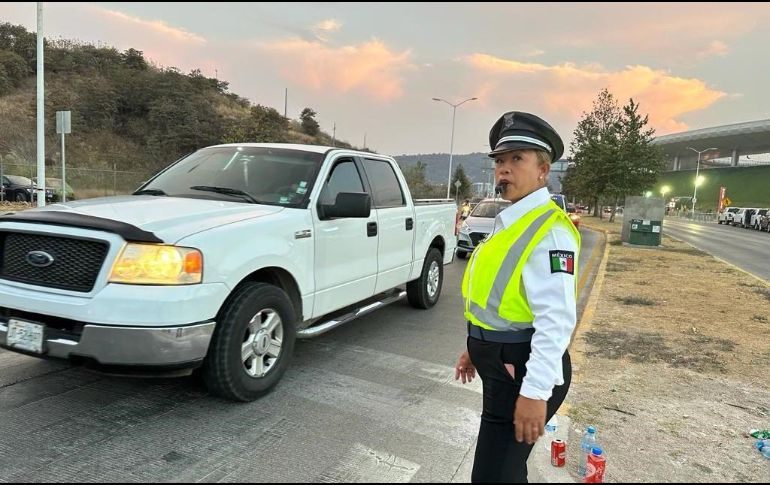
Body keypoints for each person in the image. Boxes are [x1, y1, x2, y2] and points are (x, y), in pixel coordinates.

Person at [454, 111, 581, 483]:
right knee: (503, 473)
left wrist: (535, 393)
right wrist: (474, 345)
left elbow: (556, 321)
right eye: (499, 161)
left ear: (543, 169)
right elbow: (498, 302)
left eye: (516, 160)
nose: (504, 170)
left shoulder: (549, 232)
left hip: (525, 373)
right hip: (501, 366)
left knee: (493, 477)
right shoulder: (511, 221)